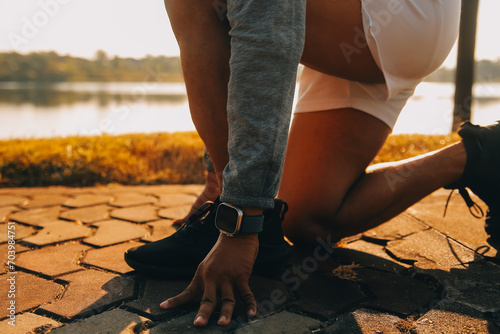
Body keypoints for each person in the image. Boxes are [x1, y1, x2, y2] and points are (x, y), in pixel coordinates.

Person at [125, 0, 500, 327]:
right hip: (362, 24)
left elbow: (263, 12)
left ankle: (244, 218)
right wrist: (219, 176)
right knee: (306, 218)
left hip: (393, 12)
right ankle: (480, 153)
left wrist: (241, 213)